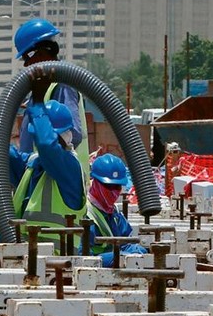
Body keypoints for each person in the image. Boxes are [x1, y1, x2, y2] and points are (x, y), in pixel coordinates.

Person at [10, 66, 87, 251]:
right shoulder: (32, 164)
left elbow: (47, 145)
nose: (37, 140)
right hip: (25, 250)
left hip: (60, 259)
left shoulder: (69, 166)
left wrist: (37, 104)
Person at [14, 18, 90, 175]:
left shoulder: (63, 85)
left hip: (57, 181)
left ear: (40, 53)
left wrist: (47, 158)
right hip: (37, 175)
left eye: (27, 58)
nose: (26, 65)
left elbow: (72, 135)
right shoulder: (42, 87)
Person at [84, 153, 148, 266]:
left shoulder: (114, 213)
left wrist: (138, 251)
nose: (113, 191)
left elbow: (126, 242)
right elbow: (82, 258)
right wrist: (115, 258)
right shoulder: (87, 215)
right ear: (95, 182)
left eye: (117, 187)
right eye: (108, 186)